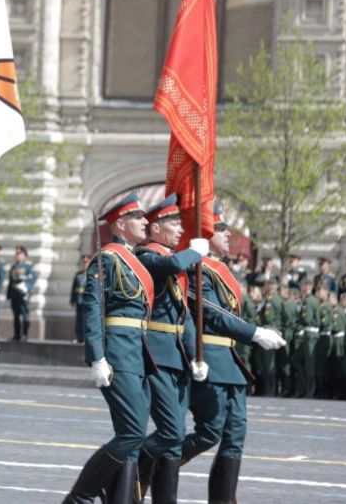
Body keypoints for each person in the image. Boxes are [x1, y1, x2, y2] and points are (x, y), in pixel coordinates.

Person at [180, 204, 285, 504]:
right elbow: (210, 313)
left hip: (231, 361)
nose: (228, 234)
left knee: (234, 437)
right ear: (206, 233)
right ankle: (151, 466)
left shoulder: (223, 268)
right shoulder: (197, 265)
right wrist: (254, 333)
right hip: (210, 356)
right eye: (221, 229)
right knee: (210, 430)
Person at [61, 191, 154, 504]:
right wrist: (97, 356)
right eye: (138, 217)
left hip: (137, 353)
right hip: (118, 353)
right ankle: (81, 495)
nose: (146, 222)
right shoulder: (108, 258)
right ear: (121, 224)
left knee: (132, 433)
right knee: (132, 433)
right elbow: (92, 306)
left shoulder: (133, 261)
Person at [133, 194, 206, 504]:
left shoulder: (176, 261)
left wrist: (194, 355)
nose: (180, 230)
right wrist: (194, 253)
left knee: (174, 444)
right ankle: (128, 469)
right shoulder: (146, 254)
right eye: (175, 224)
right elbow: (173, 262)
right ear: (157, 228)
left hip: (177, 356)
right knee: (171, 431)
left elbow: (185, 316)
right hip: (157, 354)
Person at [291, 280, 319, 398]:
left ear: (307, 286)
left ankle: (310, 390)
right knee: (297, 359)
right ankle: (304, 387)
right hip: (308, 333)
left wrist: (299, 322)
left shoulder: (309, 301)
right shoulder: (310, 300)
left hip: (310, 333)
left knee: (309, 363)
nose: (301, 287)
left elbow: (306, 319)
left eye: (302, 285)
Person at [255, 279, 282, 396]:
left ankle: (271, 389)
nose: (264, 286)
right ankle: (269, 388)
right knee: (264, 360)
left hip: (270, 329)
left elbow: (268, 317)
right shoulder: (269, 299)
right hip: (268, 328)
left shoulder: (272, 300)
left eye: (266, 284)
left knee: (268, 361)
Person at [7, 246, 36, 341]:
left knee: (25, 314)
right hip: (15, 293)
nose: (17, 256)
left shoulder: (28, 265)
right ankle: (17, 334)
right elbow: (11, 282)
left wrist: (27, 288)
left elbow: (33, 278)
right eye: (16, 254)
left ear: (24, 255)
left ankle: (25, 334)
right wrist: (9, 294)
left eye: (19, 254)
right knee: (16, 315)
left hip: (24, 294)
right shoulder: (13, 267)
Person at [70, 255, 91, 343]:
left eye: (87, 263)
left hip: (87, 300)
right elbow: (74, 288)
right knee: (79, 320)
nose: (85, 265)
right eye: (84, 263)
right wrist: (72, 299)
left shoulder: (92, 275)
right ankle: (79, 337)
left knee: (87, 319)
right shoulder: (79, 275)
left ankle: (86, 337)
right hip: (79, 300)